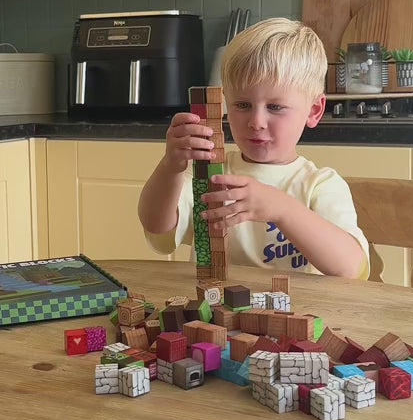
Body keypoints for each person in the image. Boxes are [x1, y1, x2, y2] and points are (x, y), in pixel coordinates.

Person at [138, 17, 369, 279]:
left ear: (314, 110)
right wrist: (170, 167)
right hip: (215, 302)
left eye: (275, 107)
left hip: (298, 304)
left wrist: (283, 209)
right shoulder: (210, 172)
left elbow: (350, 269)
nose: (256, 122)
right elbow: (158, 230)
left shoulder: (320, 184)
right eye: (242, 105)